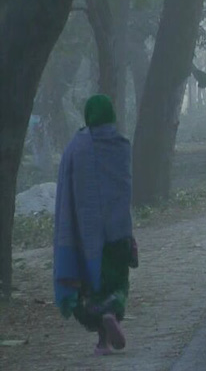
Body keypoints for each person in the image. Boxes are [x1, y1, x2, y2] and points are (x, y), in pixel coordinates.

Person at [54, 95, 138, 356]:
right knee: (118, 285)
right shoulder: (121, 146)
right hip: (118, 232)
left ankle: (102, 340)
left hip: (87, 237)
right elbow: (124, 188)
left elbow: (68, 194)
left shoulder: (76, 149)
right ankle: (111, 318)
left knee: (93, 288)